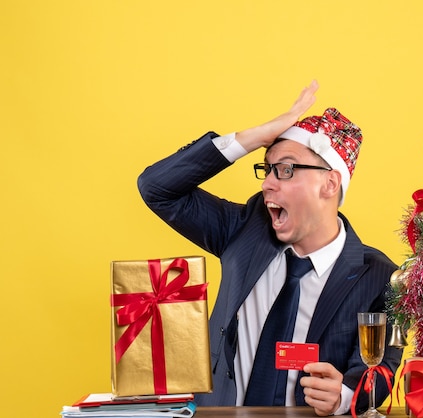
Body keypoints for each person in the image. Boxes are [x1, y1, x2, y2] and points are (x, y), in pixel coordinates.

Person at [137, 80, 403, 416]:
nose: (267, 183)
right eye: (266, 169)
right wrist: (257, 137)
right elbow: (157, 189)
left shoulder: (381, 277)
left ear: (329, 183)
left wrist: (346, 395)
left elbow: (382, 368)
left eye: (286, 170)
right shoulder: (246, 231)